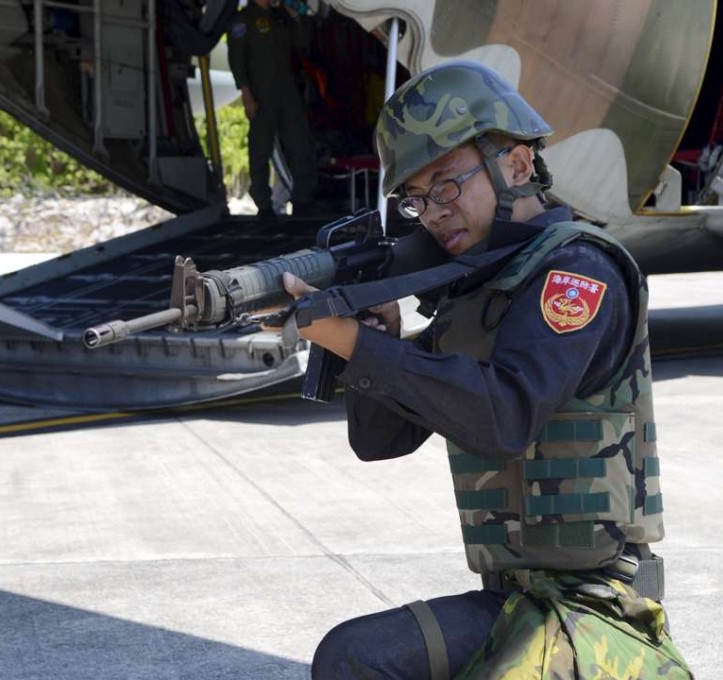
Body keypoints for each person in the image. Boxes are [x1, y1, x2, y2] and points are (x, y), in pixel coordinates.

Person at [279, 62, 693, 678]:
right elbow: (379, 441)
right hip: (513, 603)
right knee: (352, 658)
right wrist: (374, 338)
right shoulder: (475, 291)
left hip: (599, 609)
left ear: (519, 166)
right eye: (417, 200)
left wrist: (352, 343)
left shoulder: (576, 274)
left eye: (445, 186)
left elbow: (504, 416)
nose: (434, 212)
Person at [227, 0, 318, 218]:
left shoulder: (281, 17)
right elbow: (236, 60)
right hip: (260, 95)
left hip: (287, 93)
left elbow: (302, 44)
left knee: (301, 144)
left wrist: (295, 17)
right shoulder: (243, 20)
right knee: (260, 149)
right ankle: (263, 204)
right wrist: (246, 95)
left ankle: (302, 199)